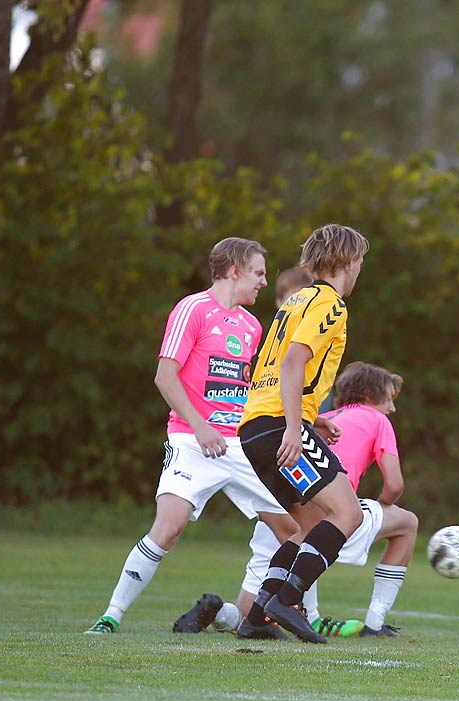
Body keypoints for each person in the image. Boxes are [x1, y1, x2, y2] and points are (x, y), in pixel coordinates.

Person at [82, 239, 297, 635]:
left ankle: (256, 618)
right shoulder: (192, 309)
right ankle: (110, 616)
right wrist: (200, 427)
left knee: (294, 533)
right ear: (235, 271)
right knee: (169, 527)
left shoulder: (252, 327)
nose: (264, 283)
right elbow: (165, 376)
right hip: (191, 440)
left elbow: (252, 390)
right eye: (259, 273)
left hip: (240, 446)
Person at [233, 225, 369, 643]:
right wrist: (295, 426)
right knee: (349, 514)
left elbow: (270, 367)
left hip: (256, 426)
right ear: (347, 261)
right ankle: (288, 599)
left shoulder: (296, 300)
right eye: (360, 260)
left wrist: (309, 418)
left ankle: (257, 616)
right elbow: (293, 363)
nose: (361, 268)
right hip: (278, 425)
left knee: (306, 526)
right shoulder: (330, 304)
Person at [238, 362, 417, 637]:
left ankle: (248, 617)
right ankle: (375, 624)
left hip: (281, 505)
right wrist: (383, 504)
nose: (392, 408)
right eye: (389, 399)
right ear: (369, 398)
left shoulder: (321, 417)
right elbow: (394, 485)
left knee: (245, 604)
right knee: (407, 523)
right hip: (330, 513)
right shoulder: (378, 419)